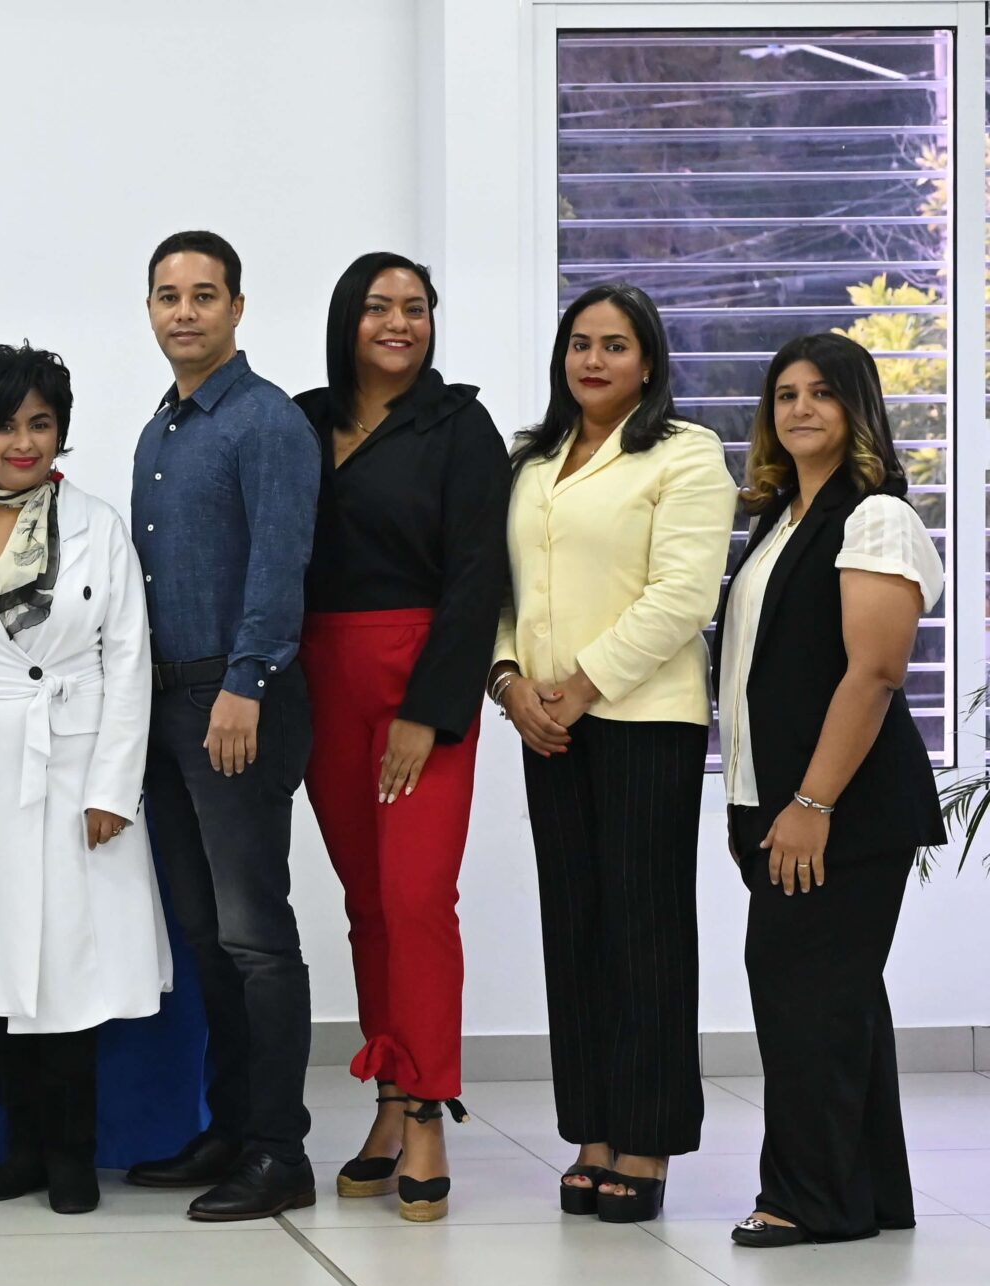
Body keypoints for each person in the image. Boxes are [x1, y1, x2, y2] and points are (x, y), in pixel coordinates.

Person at [0, 342, 166, 1216]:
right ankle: (17, 1151)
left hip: (73, 765)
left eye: (40, 423)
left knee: (69, 974)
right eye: (5, 425)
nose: (23, 441)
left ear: (61, 432)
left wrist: (111, 789)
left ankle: (73, 1155)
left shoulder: (101, 525)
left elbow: (129, 660)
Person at [490, 281, 735, 1225]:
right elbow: (501, 589)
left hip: (640, 720)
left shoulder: (685, 454)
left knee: (644, 932)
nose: (594, 360)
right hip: (542, 720)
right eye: (580, 343)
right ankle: (591, 1131)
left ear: (649, 360)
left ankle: (647, 1141)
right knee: (576, 926)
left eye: (616, 346)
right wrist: (511, 683)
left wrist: (582, 687)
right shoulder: (533, 458)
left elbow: (682, 596)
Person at [711, 334, 943, 1248]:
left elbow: (875, 671)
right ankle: (870, 1194)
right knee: (835, 997)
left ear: (858, 409)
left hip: (836, 809)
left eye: (822, 394)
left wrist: (810, 806)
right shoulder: (778, 521)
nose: (800, 409)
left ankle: (807, 1199)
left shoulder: (874, 516)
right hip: (777, 804)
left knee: (801, 992)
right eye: (785, 395)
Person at [291, 253, 509, 1221]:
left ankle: (425, 1104)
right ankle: (383, 1098)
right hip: (320, 676)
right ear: (347, 319)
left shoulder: (459, 425)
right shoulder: (302, 420)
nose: (397, 323)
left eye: (414, 308)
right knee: (366, 903)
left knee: (418, 897)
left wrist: (428, 709)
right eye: (378, 307)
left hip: (419, 676)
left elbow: (476, 575)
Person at [120, 231, 323, 1222]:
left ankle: (280, 1151)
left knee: (254, 936)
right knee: (203, 934)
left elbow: (279, 568)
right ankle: (232, 1128)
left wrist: (246, 683)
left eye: (205, 295)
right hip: (162, 705)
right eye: (168, 296)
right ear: (150, 310)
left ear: (238, 307)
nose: (185, 312)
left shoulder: (265, 423)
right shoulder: (159, 431)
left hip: (235, 702)